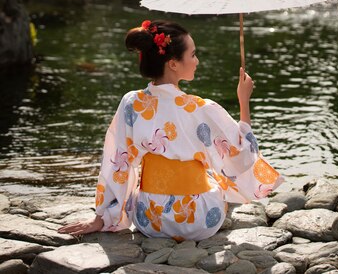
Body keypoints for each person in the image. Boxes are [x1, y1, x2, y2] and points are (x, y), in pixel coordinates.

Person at [58, 19, 284, 240]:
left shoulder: (131, 102)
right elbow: (242, 154)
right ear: (173, 64)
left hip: (150, 219)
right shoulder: (201, 107)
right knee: (213, 174)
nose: (197, 61)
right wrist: (244, 101)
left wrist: (102, 216)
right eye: (193, 54)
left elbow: (117, 162)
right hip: (199, 220)